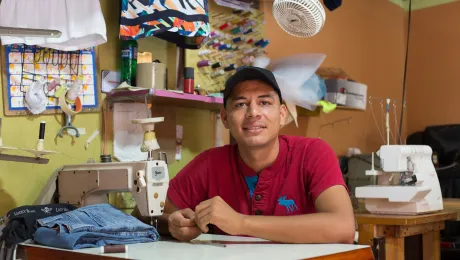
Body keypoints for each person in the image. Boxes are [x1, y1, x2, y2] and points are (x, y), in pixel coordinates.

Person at [135, 66, 355, 244]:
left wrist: (241, 223)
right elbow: (142, 214)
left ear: (281, 114)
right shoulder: (210, 164)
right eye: (241, 104)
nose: (253, 113)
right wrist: (172, 225)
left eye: (265, 102)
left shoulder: (313, 153)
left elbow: (343, 227)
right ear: (225, 118)